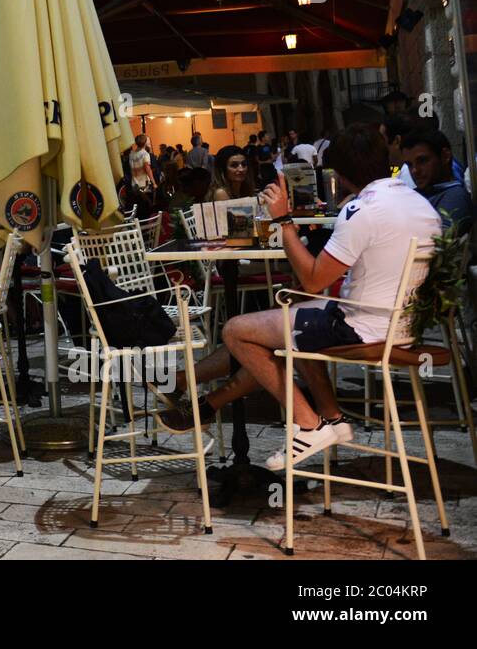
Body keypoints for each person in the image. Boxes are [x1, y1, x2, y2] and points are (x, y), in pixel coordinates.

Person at [159, 124, 441, 470]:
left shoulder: (364, 210)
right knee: (294, 318)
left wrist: (284, 220)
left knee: (236, 329)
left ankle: (309, 424)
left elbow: (311, 279)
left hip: (363, 328)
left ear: (340, 172)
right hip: (401, 326)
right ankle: (331, 418)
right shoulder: (420, 205)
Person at [401, 128, 473, 232]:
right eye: (410, 165)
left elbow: (435, 242)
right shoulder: (418, 193)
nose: (415, 170)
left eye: (422, 161)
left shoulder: (455, 196)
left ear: (445, 156)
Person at [381, 113, 420, 189]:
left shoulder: (408, 175)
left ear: (397, 141)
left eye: (382, 140)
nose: (379, 146)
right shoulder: (406, 172)